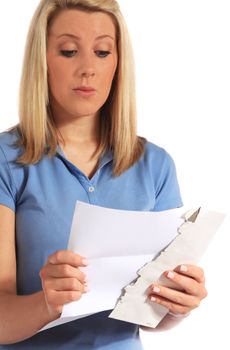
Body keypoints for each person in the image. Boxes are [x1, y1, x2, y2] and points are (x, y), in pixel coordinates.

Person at [0, 0, 208, 349]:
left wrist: (178, 305)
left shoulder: (155, 165)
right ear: (42, 60)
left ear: (117, 62)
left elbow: (149, 312)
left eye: (101, 52)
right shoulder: (8, 160)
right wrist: (47, 304)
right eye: (68, 51)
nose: (87, 69)